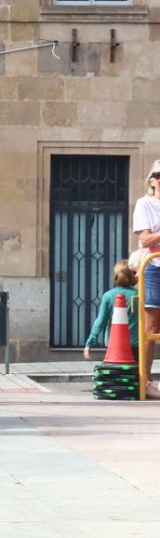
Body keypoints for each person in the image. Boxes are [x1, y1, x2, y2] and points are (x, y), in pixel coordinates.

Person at [83, 260, 146, 383]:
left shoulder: (108, 296)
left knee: (116, 378)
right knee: (134, 379)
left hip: (114, 344)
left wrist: (89, 343)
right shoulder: (139, 295)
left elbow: (100, 321)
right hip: (136, 343)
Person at [131, 161, 160, 388]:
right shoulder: (145, 204)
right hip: (154, 266)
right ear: (152, 180)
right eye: (159, 175)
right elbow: (146, 239)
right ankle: (146, 379)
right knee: (151, 326)